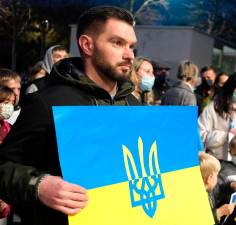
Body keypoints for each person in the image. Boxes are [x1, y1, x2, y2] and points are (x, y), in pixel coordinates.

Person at [0, 6, 137, 225]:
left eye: (131, 46)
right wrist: (39, 185)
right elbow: (4, 167)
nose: (129, 55)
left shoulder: (132, 104)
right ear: (87, 45)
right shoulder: (48, 102)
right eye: (117, 43)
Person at [198, 72, 236, 160]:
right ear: (230, 87)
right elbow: (201, 136)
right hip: (217, 160)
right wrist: (225, 135)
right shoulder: (213, 108)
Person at [199, 152, 234, 224]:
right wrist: (219, 213)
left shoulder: (209, 190)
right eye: (216, 175)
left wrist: (231, 185)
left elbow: (218, 190)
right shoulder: (196, 199)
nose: (217, 178)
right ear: (210, 178)